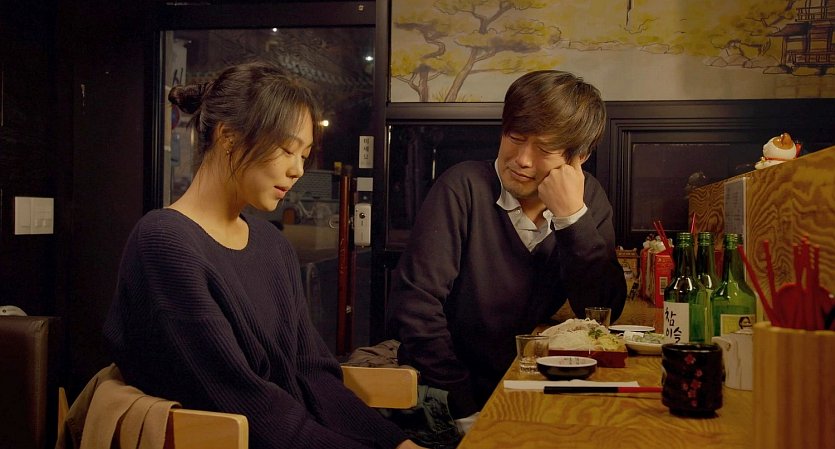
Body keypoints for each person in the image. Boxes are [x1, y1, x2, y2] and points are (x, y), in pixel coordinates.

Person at [103, 62, 424, 449]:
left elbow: (313, 375)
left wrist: (397, 443)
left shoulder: (272, 245)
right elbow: (249, 407)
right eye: (287, 150)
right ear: (228, 137)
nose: (298, 170)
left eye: (304, 155)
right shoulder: (164, 242)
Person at [385, 70, 627, 425]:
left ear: (579, 157)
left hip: (529, 386)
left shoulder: (587, 199)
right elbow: (415, 310)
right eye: (515, 137)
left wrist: (572, 218)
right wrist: (464, 411)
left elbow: (602, 311)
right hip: (446, 393)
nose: (522, 159)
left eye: (544, 148)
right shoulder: (462, 187)